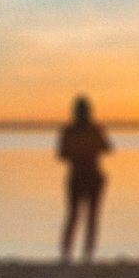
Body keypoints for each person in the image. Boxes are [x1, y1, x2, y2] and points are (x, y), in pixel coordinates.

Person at [57, 94, 112, 261]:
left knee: (84, 216)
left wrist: (80, 150)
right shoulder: (75, 130)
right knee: (80, 215)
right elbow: (62, 154)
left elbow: (106, 148)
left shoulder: (90, 129)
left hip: (89, 176)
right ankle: (72, 253)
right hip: (83, 176)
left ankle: (81, 253)